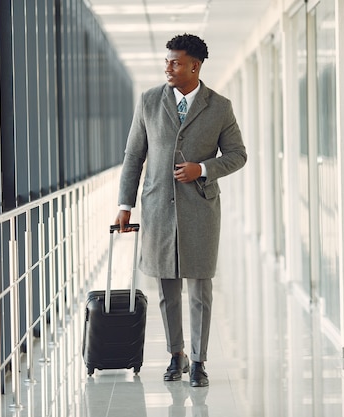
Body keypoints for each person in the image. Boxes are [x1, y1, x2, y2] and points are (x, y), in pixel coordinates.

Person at [115, 33, 247, 388]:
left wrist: (202, 169)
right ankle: (177, 355)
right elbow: (133, 157)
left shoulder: (219, 106)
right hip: (159, 207)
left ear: (195, 65)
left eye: (175, 62)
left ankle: (199, 361)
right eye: (167, 61)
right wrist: (124, 206)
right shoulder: (149, 102)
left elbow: (238, 154)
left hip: (200, 210)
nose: (168, 67)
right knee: (167, 289)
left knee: (200, 289)